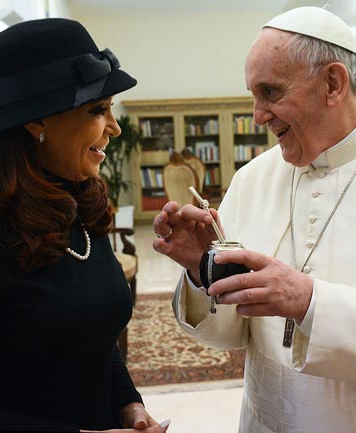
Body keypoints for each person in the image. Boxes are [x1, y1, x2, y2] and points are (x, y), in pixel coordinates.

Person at [153, 6, 356, 433]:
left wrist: (309, 301)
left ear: (333, 84)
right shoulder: (252, 178)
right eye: (253, 95)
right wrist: (201, 270)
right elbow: (230, 334)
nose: (258, 115)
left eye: (271, 92)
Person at [0, 18, 170, 433]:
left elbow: (92, 338)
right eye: (98, 110)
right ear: (37, 122)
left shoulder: (78, 204)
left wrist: (128, 402)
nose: (114, 128)